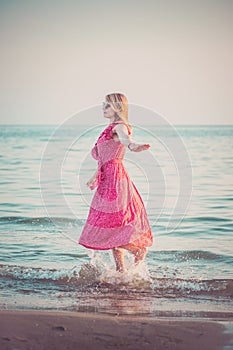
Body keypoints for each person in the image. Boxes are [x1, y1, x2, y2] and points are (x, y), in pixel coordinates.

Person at [78, 93, 153, 272]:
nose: (103, 108)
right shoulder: (110, 128)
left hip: (116, 181)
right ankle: (121, 273)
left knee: (115, 223)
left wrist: (134, 146)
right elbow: (106, 156)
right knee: (111, 224)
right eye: (103, 104)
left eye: (108, 105)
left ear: (118, 107)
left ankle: (138, 251)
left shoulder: (120, 127)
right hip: (106, 181)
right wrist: (95, 175)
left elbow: (127, 141)